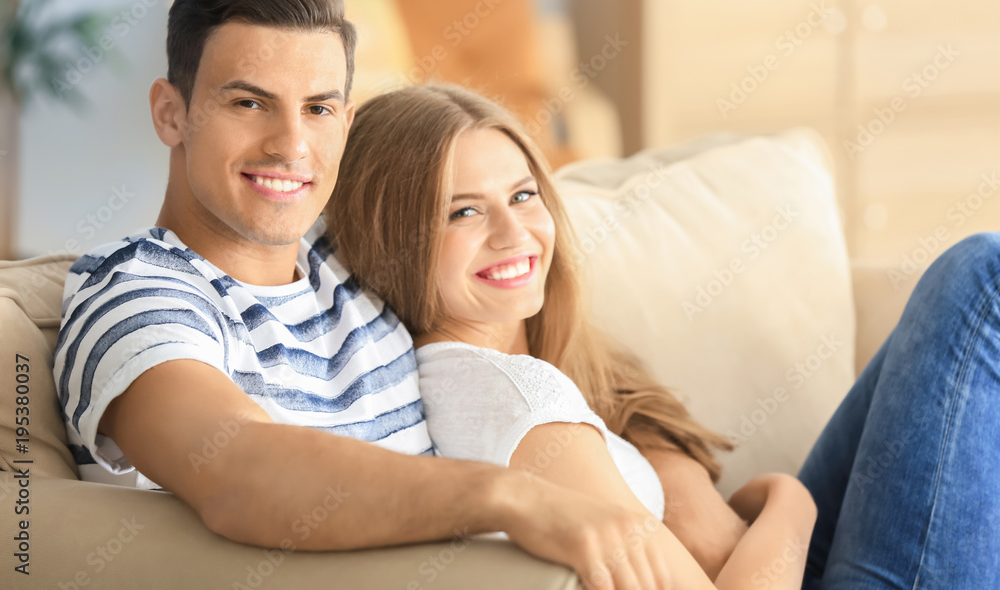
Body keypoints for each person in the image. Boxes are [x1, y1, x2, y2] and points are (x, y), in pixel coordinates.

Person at [53, 0, 744, 590]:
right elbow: (237, 469)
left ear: (345, 122)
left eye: (319, 108)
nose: (291, 145)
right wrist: (516, 497)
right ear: (170, 113)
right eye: (248, 102)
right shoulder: (135, 292)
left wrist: (677, 469)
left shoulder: (341, 256)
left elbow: (528, 325)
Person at [327, 82, 1000, 590]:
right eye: (464, 211)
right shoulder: (518, 402)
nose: (514, 233)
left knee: (971, 294)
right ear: (395, 244)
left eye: (524, 195)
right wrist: (791, 504)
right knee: (981, 279)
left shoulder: (502, 371)